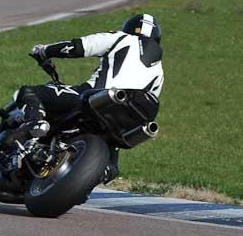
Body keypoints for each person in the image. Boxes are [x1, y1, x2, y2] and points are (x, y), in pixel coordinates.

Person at [9, 13, 164, 183]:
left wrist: (44, 51)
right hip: (123, 121)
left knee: (29, 91)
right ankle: (103, 172)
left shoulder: (122, 38)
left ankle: (36, 121)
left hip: (96, 98)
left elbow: (79, 47)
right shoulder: (159, 73)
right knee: (111, 167)